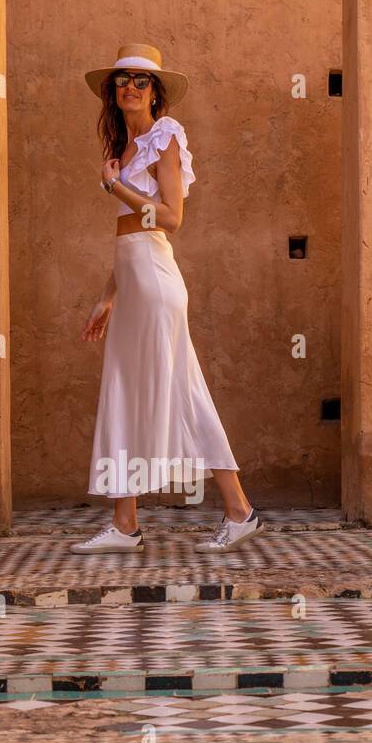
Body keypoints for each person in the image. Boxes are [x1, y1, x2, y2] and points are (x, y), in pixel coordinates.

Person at [73, 43, 261, 555]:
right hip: (132, 283)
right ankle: (124, 522)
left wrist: (116, 188)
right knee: (121, 390)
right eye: (122, 79)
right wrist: (107, 296)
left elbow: (170, 218)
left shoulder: (165, 138)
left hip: (157, 283)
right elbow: (127, 234)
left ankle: (240, 510)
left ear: (156, 92)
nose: (128, 87)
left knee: (181, 391)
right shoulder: (125, 149)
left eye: (140, 80)